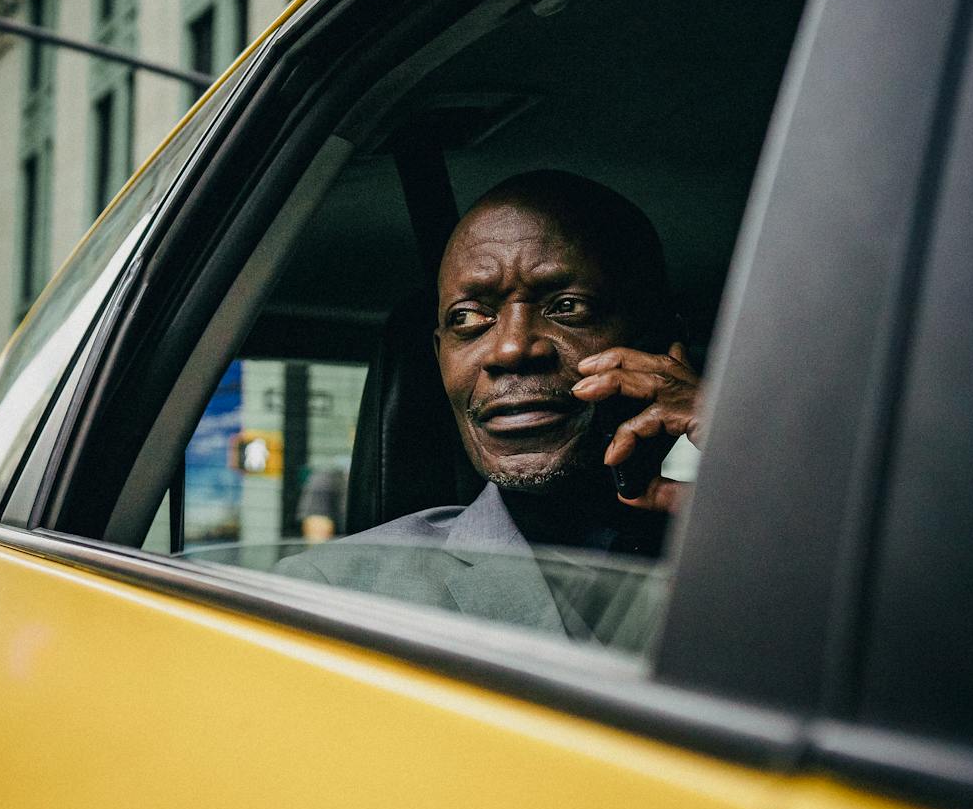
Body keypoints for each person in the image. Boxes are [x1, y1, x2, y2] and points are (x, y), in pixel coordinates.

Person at [275, 171, 704, 646]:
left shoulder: (765, 556)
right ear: (441, 359)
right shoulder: (337, 594)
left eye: (568, 306)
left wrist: (738, 446)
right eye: (468, 318)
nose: (511, 349)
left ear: (664, 342)